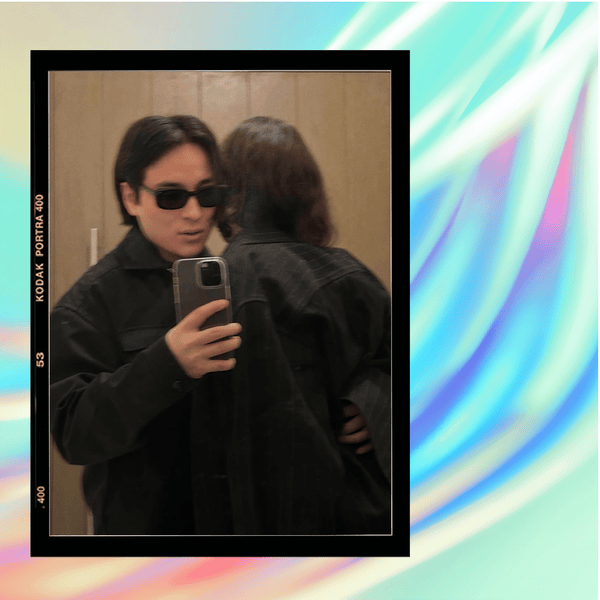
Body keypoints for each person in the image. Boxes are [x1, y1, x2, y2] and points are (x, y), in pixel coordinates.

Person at [50, 115, 375, 535]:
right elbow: (74, 434)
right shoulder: (89, 303)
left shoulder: (241, 276)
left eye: (208, 194)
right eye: (171, 197)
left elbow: (307, 373)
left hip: (244, 523)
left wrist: (363, 406)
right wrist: (166, 364)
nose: (195, 214)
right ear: (131, 197)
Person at [206, 116, 391, 534]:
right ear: (307, 191)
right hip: (352, 514)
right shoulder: (348, 275)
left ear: (230, 193)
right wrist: (374, 404)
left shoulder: (210, 286)